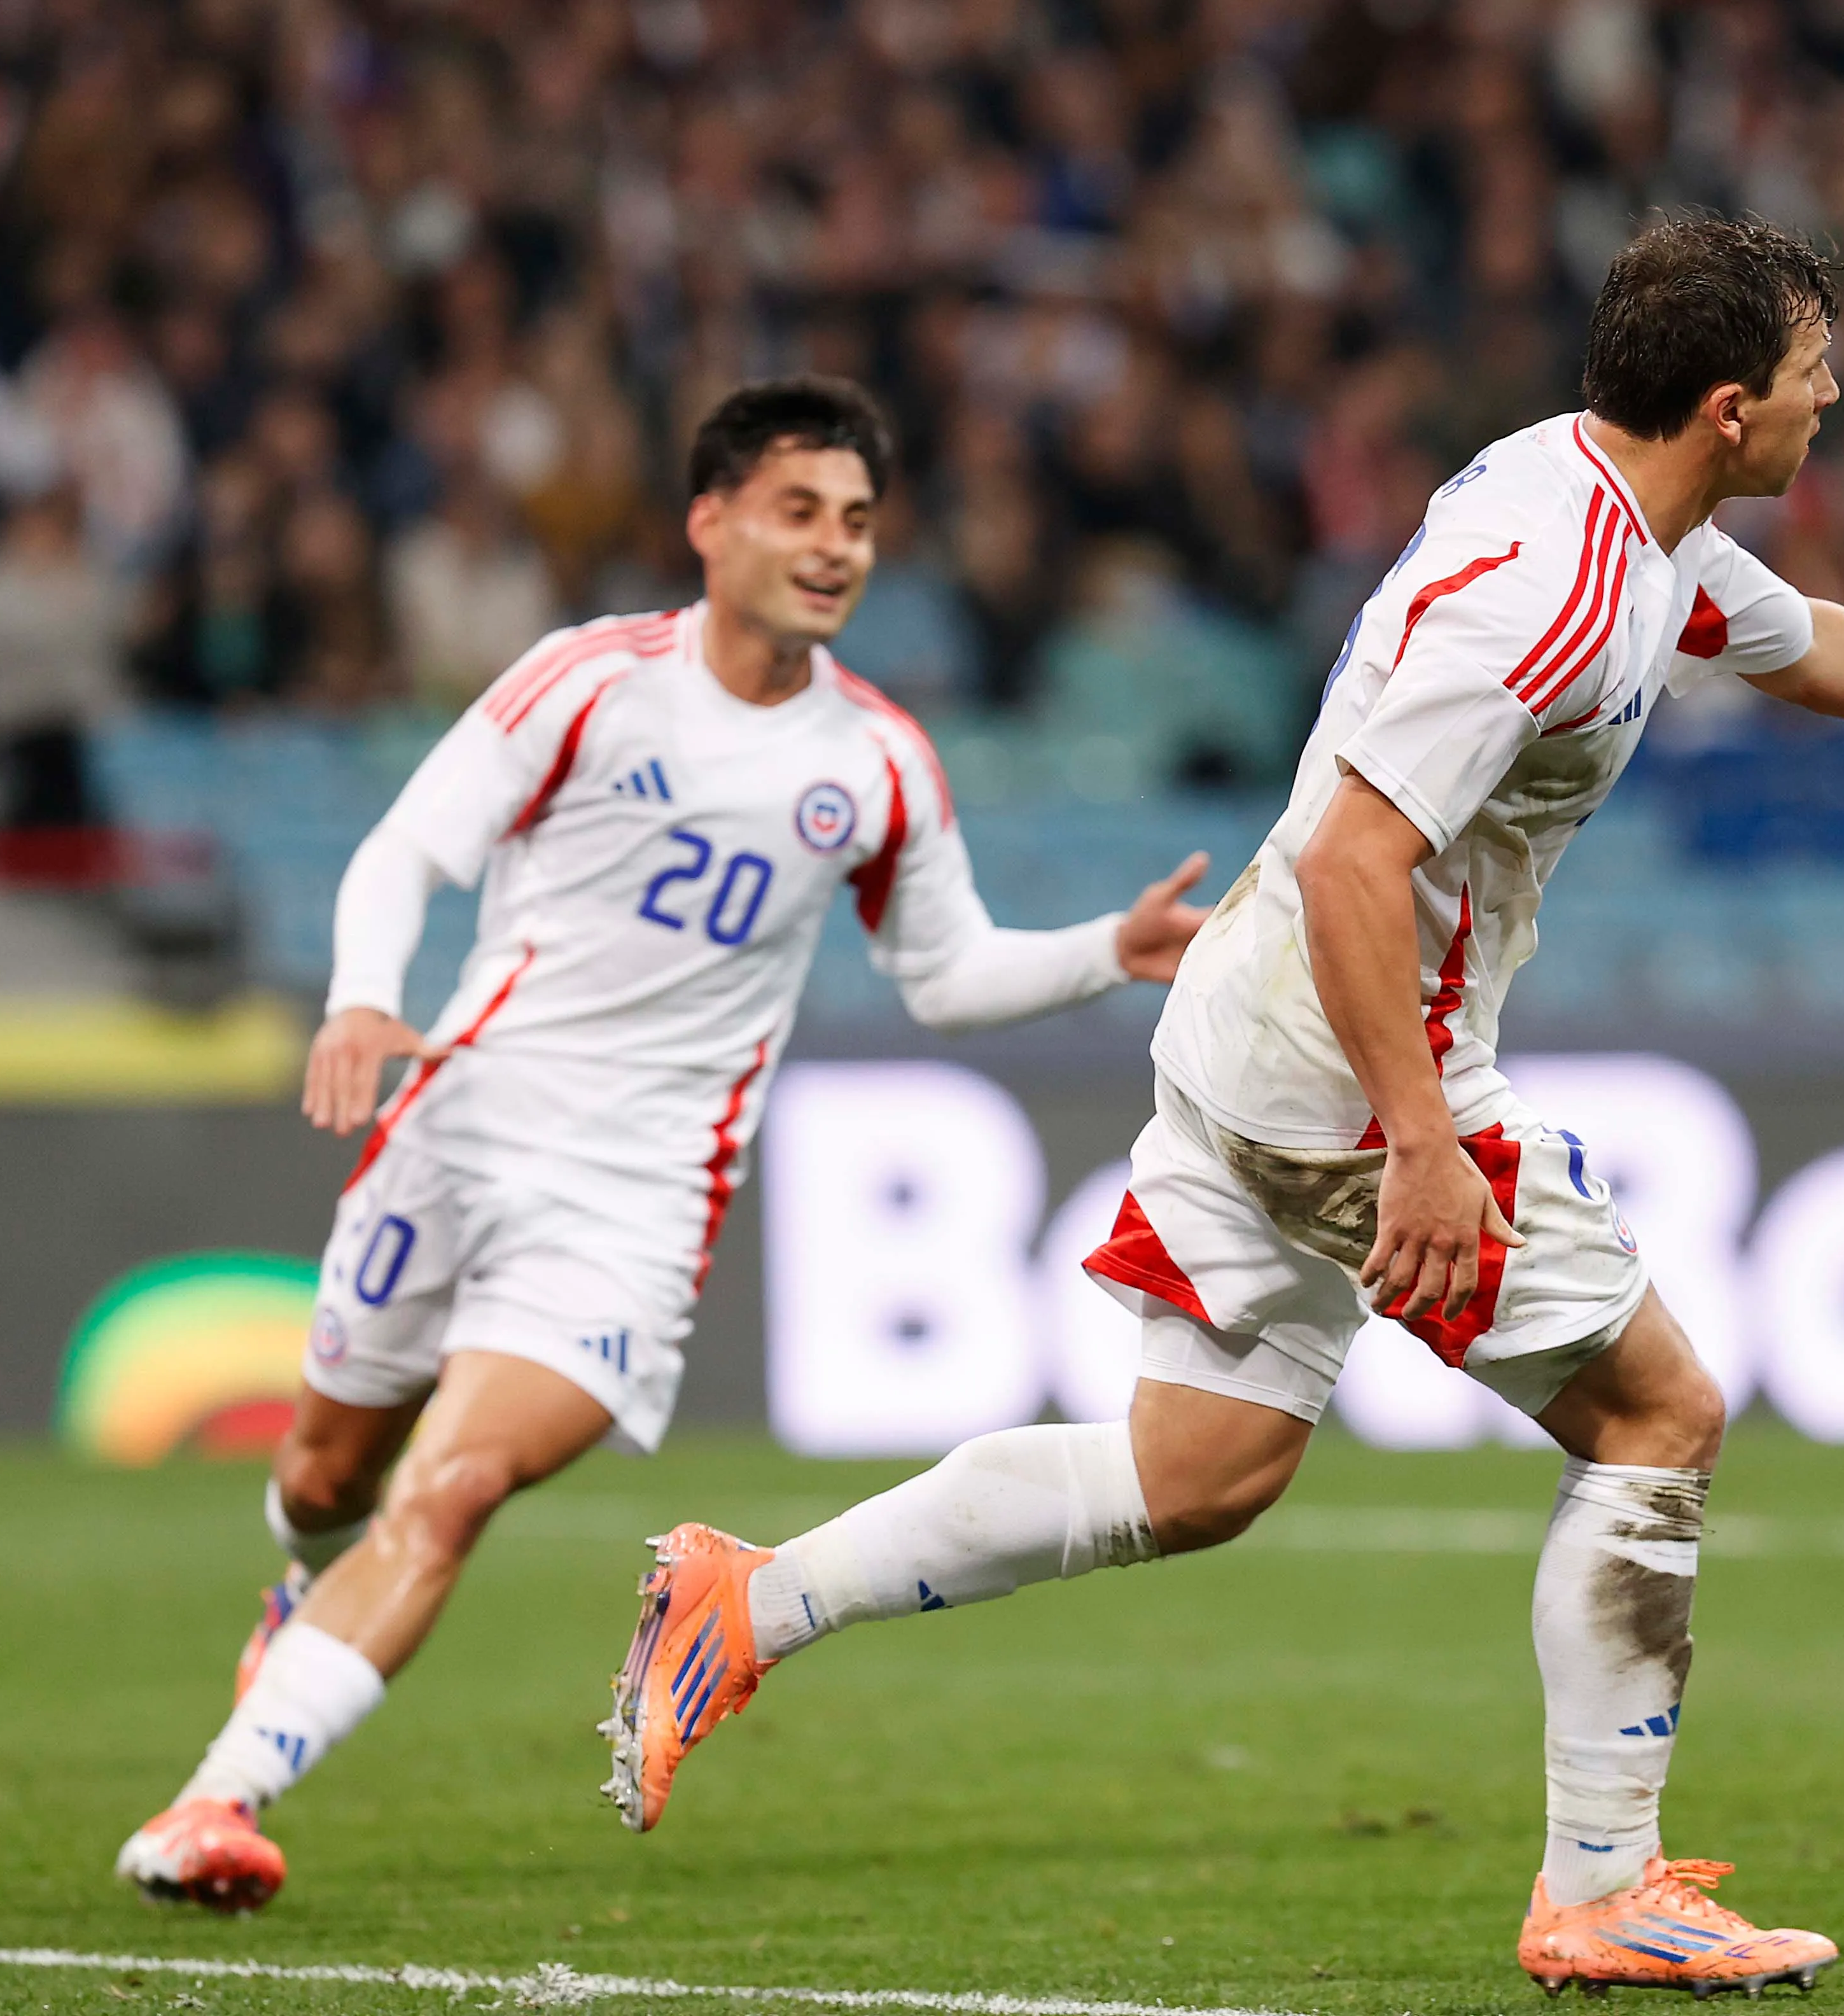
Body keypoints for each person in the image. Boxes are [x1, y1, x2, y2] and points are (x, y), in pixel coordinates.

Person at [601, 214, 1844, 1994]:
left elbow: (1779, 635)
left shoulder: (1603, 503)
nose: (1836, 400)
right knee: (1660, 1415)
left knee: (1194, 1473)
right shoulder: (1559, 593)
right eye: (1819, 376)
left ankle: (753, 1599)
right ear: (1732, 406)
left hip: (1253, 1038)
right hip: (1355, 1079)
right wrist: (1424, 1143)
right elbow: (1366, 857)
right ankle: (1604, 1886)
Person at [112, 375, 1210, 1913]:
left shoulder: (878, 762)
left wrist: (1110, 945)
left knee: (454, 1486)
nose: (833, 549)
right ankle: (299, 1593)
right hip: (459, 1132)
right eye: (799, 511)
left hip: (632, 1206)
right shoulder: (588, 682)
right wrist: (363, 998)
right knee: (322, 1472)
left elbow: (944, 973)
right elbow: (408, 849)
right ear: (710, 522)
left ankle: (217, 1803)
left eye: (859, 524)